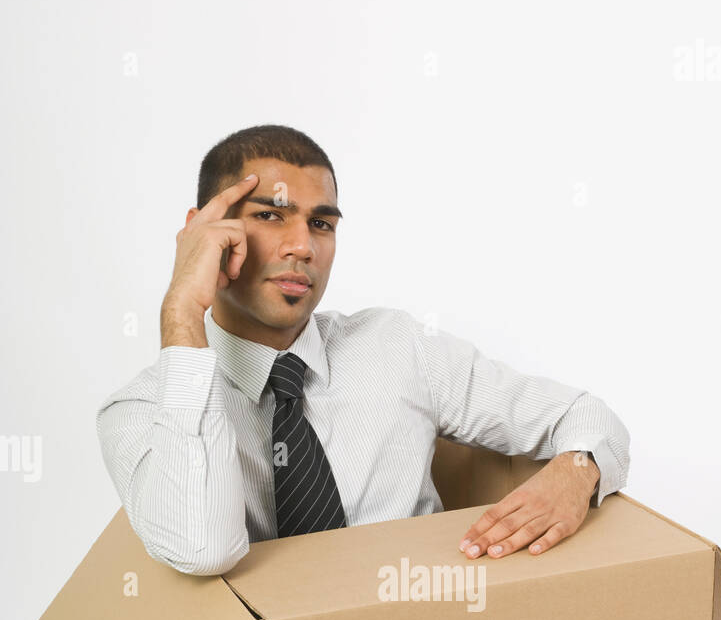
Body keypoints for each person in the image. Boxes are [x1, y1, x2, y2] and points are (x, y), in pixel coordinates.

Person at [97, 124, 631, 576]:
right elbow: (203, 549)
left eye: (321, 224)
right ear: (204, 232)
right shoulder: (141, 411)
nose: (302, 247)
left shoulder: (399, 348)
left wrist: (576, 472)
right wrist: (181, 311)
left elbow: (587, 415)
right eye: (270, 215)